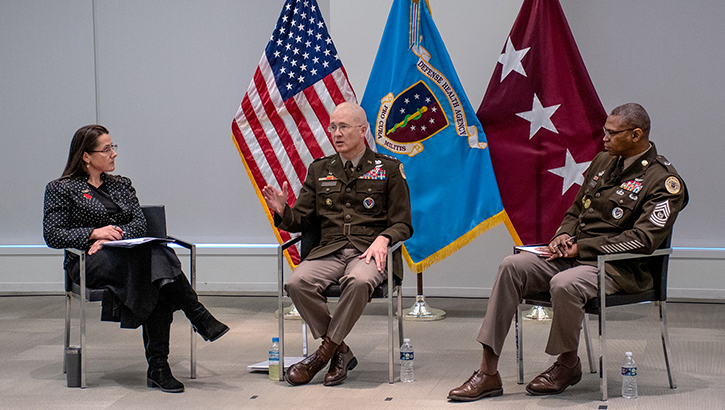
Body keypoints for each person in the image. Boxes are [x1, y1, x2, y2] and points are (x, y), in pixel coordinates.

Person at [448, 103, 689, 401]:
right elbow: (577, 209)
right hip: (574, 256)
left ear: (636, 135)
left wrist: (582, 247)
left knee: (565, 284)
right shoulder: (603, 162)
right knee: (512, 266)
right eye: (604, 132)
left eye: (611, 134)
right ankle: (488, 372)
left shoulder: (664, 181)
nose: (604, 138)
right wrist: (563, 235)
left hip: (618, 268)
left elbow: (642, 240)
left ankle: (567, 363)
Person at [44, 125, 229, 393]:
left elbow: (139, 224)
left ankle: (160, 366)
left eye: (113, 147)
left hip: (128, 255)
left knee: (158, 276)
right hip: (89, 261)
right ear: (86, 156)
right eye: (106, 149)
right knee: (157, 260)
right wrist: (95, 234)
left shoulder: (121, 184)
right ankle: (194, 319)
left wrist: (112, 237)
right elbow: (53, 234)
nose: (114, 154)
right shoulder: (61, 188)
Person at [262, 102, 413, 386]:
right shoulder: (320, 169)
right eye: (333, 126)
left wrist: (384, 238)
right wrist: (283, 211)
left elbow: (403, 223)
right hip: (329, 251)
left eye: (344, 126)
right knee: (297, 282)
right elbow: (301, 220)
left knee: (357, 281)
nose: (337, 133)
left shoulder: (389, 169)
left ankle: (322, 355)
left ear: (363, 130)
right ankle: (340, 350)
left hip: (369, 252)